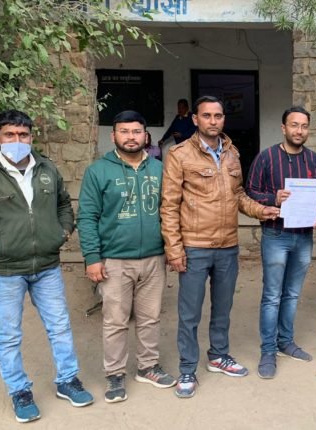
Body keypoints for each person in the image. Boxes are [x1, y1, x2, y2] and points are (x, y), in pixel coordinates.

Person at [0, 110, 93, 423]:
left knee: (59, 326)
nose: (17, 141)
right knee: (8, 335)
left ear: (31, 137)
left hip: (46, 266)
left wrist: (63, 231)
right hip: (4, 270)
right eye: (10, 135)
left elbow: (63, 204)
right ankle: (19, 391)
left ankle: (67, 380)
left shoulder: (46, 168)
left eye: (23, 135)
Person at [161, 96, 279, 398]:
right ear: (195, 119)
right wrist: (174, 249)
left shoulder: (231, 153)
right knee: (189, 313)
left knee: (223, 308)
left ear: (223, 119)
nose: (213, 121)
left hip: (227, 245)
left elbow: (238, 195)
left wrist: (261, 210)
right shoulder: (179, 154)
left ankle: (218, 355)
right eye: (207, 116)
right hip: (195, 246)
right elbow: (169, 205)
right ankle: (187, 368)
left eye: (218, 116)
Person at [77, 110, 176, 404]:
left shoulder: (159, 169)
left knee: (150, 318)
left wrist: (173, 249)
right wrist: (92, 258)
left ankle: (147, 367)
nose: (130, 137)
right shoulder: (98, 171)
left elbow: (171, 211)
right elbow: (87, 216)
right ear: (113, 136)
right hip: (115, 260)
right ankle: (115, 373)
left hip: (154, 259)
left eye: (136, 131)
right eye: (124, 131)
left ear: (145, 135)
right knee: (115, 321)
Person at [245, 106, 316, 379]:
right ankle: (268, 350)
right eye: (294, 125)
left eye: (304, 126)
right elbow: (250, 191)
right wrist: (273, 198)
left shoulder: (314, 160)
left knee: (292, 294)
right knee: (272, 295)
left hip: (303, 237)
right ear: (283, 128)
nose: (299, 130)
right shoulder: (266, 157)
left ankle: (286, 341)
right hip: (276, 235)